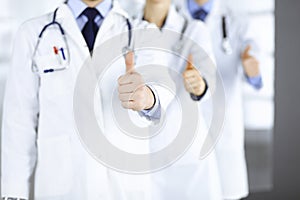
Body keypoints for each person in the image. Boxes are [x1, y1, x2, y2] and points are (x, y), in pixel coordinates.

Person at [1, 0, 161, 199]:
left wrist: (148, 99)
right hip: (61, 186)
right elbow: (19, 124)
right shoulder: (33, 34)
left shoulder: (143, 34)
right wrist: (14, 194)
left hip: (124, 188)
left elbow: (163, 99)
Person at [124, 0, 224, 199]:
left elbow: (209, 82)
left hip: (187, 156)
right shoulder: (125, 27)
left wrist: (199, 85)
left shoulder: (194, 30)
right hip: (142, 151)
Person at [175, 0, 263, 199]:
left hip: (223, 130)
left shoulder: (235, 20)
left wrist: (253, 72)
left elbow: (256, 72)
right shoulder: (172, 16)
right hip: (182, 129)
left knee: (224, 191)